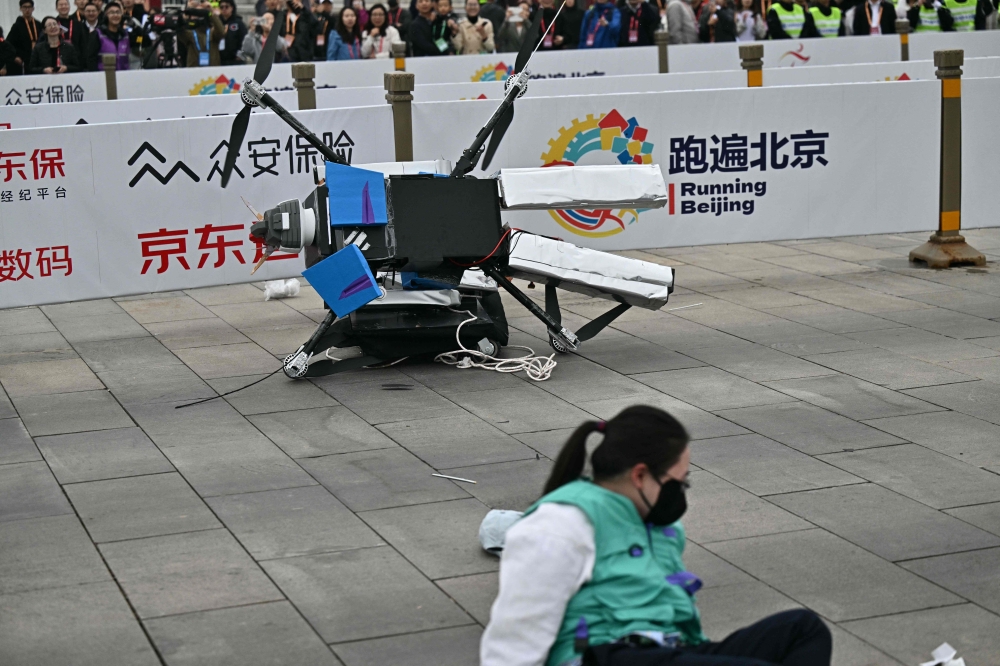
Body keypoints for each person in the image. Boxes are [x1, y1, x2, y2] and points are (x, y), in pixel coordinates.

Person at [480, 406, 833, 666]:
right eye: (678, 482)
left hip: (666, 650)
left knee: (803, 628)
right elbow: (513, 644)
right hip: (602, 656)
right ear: (640, 476)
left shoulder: (658, 524)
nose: (682, 491)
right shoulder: (560, 526)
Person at [177, 0, 225, 66]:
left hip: (212, 72)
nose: (199, 17)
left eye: (201, 13)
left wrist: (210, 13)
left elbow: (221, 31)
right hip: (194, 72)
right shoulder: (190, 34)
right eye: (196, 14)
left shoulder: (212, 33)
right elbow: (179, 31)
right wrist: (184, 16)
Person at [86, 0, 129, 69]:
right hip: (103, 76)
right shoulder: (97, 34)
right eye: (112, 12)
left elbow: (144, 41)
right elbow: (91, 60)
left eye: (118, 12)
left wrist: (135, 26)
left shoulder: (125, 35)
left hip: (123, 76)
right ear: (106, 15)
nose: (115, 15)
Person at [8, 0, 44, 75]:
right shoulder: (17, 26)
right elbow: (9, 43)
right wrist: (15, 56)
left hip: (38, 59)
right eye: (24, 7)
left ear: (33, 9)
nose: (27, 10)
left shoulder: (38, 24)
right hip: (23, 60)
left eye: (29, 7)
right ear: (20, 8)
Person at [217, 0, 247, 65]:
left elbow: (244, 39)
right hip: (219, 59)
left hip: (235, 59)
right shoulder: (217, 22)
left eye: (226, 7)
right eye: (222, 7)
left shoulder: (238, 23)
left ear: (232, 8)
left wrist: (240, 54)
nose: (224, 9)